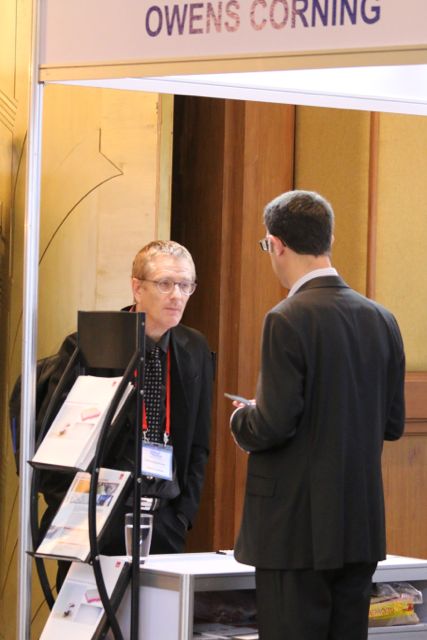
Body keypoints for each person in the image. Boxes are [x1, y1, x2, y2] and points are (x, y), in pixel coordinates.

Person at [229, 190, 405, 640]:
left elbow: (273, 424)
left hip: (293, 529)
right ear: (328, 240)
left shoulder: (287, 317)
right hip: (359, 527)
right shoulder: (382, 319)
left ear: (276, 244)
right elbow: (393, 425)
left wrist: (242, 419)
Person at [105, 239, 215, 555]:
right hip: (104, 516)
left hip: (165, 520)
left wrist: (183, 516)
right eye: (165, 284)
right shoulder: (98, 343)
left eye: (185, 285)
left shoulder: (195, 348)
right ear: (137, 288)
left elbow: (199, 442)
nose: (177, 295)